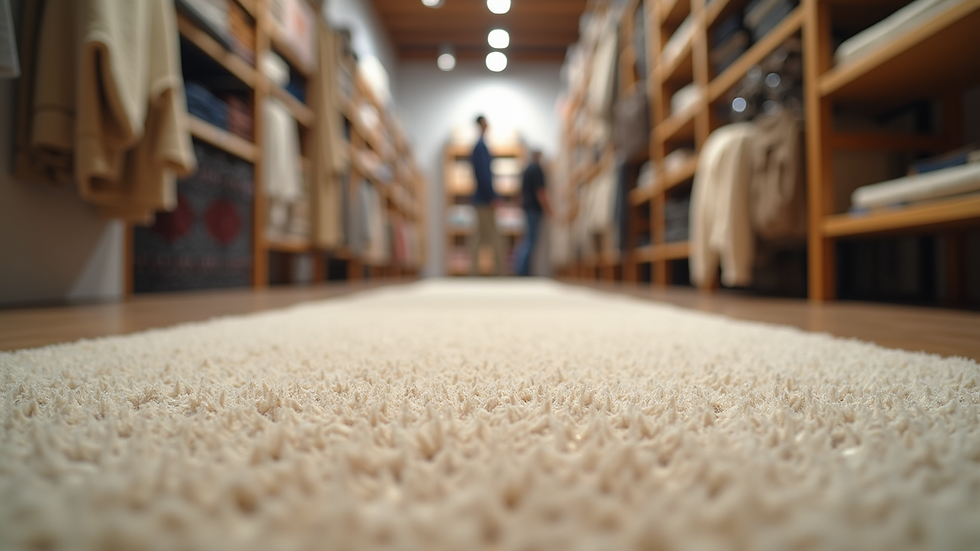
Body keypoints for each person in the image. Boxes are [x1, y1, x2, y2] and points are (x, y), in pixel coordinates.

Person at [469, 115, 505, 276]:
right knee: (493, 236)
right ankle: (500, 271)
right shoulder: (481, 147)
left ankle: (474, 270)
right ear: (481, 125)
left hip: (479, 198)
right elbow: (484, 175)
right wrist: (493, 196)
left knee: (478, 236)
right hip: (485, 199)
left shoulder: (478, 146)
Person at [513, 150, 551, 276]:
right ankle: (522, 271)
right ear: (539, 156)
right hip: (534, 209)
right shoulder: (537, 169)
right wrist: (550, 210)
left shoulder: (527, 170)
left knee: (527, 239)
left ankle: (521, 269)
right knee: (530, 240)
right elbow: (540, 192)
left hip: (527, 209)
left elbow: (520, 194)